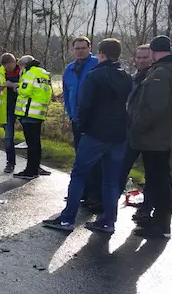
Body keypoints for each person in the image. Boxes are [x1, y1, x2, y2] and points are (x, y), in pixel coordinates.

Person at [42, 38, 132, 233]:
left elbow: (85, 106)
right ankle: (108, 221)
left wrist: (83, 127)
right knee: (110, 179)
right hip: (119, 134)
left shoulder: (95, 75)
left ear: (100, 53)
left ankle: (67, 219)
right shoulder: (126, 76)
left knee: (78, 174)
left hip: (96, 133)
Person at [128, 35, 172, 239]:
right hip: (161, 136)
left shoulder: (161, 73)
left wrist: (136, 128)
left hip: (154, 137)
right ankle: (158, 219)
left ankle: (162, 226)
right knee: (158, 178)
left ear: (153, 51)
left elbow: (153, 109)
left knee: (159, 180)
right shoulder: (171, 69)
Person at [63, 36, 103, 212]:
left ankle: (95, 194)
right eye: (77, 48)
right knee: (80, 159)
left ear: (89, 48)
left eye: (83, 48)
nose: (80, 51)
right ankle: (83, 192)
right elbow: (66, 93)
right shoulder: (70, 69)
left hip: (95, 121)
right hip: (77, 120)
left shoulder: (96, 65)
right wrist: (71, 114)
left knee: (94, 160)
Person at [119, 44, 154, 220]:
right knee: (121, 167)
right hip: (129, 131)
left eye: (145, 57)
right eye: (138, 57)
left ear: (152, 58)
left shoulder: (155, 78)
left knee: (151, 173)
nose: (141, 61)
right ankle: (109, 204)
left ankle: (146, 208)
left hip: (149, 133)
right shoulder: (133, 78)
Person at [12, 55, 52, 180]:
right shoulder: (43, 73)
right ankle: (36, 167)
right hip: (39, 111)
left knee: (31, 143)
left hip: (28, 112)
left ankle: (30, 170)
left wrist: (16, 87)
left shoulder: (29, 73)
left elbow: (25, 91)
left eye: (20, 67)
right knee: (36, 142)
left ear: (23, 65)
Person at [0, 53, 22, 173]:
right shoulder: (0, 72)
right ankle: (10, 163)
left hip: (23, 108)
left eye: (9, 67)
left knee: (31, 138)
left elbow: (31, 85)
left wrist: (15, 85)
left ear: (15, 62)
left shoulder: (24, 68)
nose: (7, 70)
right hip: (7, 109)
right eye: (5, 67)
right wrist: (1, 87)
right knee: (9, 138)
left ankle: (35, 165)